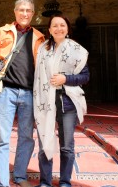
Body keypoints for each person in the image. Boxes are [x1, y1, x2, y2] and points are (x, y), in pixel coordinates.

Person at [0, 0, 45, 187]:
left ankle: (20, 176)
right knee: (2, 139)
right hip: (7, 92)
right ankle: (2, 183)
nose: (25, 13)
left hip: (29, 93)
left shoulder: (39, 37)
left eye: (28, 10)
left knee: (26, 137)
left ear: (33, 14)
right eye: (21, 9)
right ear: (15, 12)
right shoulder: (1, 32)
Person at [33, 14, 90, 187]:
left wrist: (66, 79)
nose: (59, 28)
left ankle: (65, 181)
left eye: (62, 25)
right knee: (44, 142)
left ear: (67, 28)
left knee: (66, 145)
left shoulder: (76, 50)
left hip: (67, 102)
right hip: (45, 102)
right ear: (49, 30)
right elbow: (37, 77)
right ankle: (45, 181)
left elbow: (85, 76)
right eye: (55, 26)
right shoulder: (42, 50)